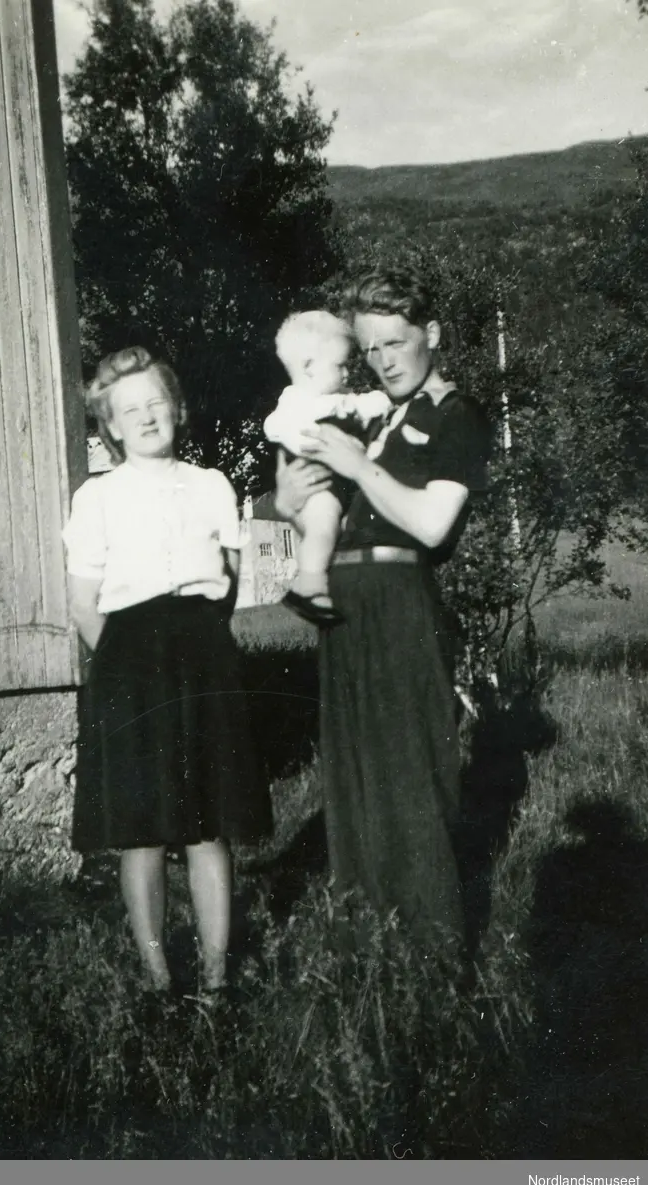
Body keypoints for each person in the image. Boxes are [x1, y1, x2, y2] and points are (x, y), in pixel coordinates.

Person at [274, 266, 492, 948]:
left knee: (409, 771)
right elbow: (317, 512)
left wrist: (357, 465)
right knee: (353, 773)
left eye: (394, 342)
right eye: (369, 349)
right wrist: (286, 500)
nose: (382, 360)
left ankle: (431, 949)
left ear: (430, 334)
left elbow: (431, 526)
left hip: (400, 600)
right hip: (344, 601)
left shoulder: (457, 415)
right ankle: (368, 938)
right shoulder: (372, 414)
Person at [62, 346, 272, 1000]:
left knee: (207, 823)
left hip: (202, 653)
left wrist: (196, 643)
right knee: (141, 829)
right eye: (131, 410)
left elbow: (229, 585)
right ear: (112, 427)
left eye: (156, 402)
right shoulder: (97, 496)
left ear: (176, 408)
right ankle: (156, 975)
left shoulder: (211, 485)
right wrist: (129, 668)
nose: (147, 416)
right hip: (128, 661)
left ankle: (214, 975)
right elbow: (82, 604)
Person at [263, 311, 392, 627]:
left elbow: (366, 404)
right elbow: (274, 426)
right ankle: (309, 584)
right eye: (340, 365)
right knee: (324, 525)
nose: (347, 373)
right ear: (308, 367)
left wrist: (381, 402)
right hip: (315, 477)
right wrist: (304, 439)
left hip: (338, 476)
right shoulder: (295, 402)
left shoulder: (342, 398)